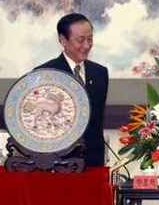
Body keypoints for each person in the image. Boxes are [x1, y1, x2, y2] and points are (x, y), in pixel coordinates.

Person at [35, 13, 109, 167]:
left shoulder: (100, 73)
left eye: (90, 39)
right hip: (57, 163)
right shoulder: (45, 73)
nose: (87, 45)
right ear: (63, 39)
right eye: (80, 40)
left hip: (93, 161)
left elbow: (97, 120)